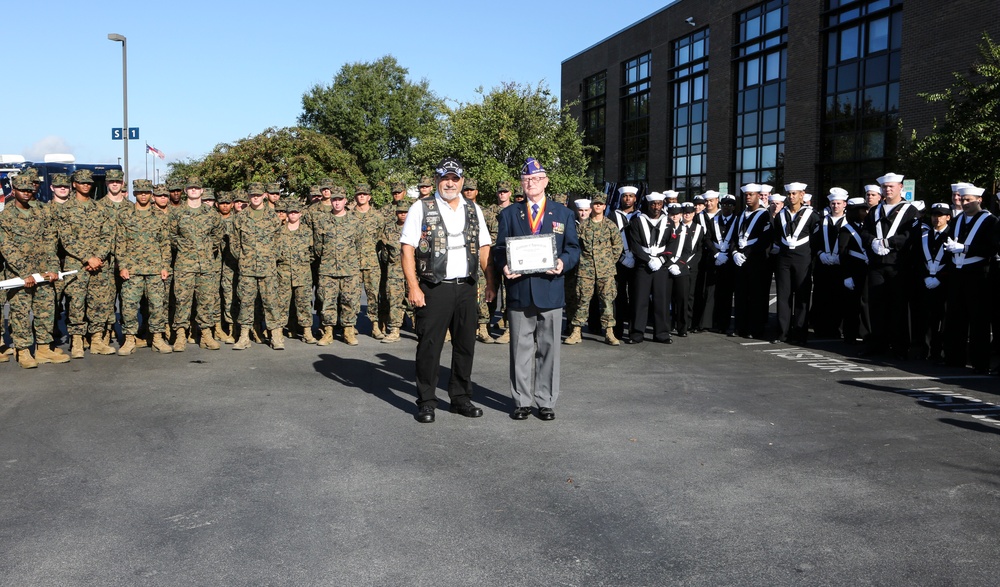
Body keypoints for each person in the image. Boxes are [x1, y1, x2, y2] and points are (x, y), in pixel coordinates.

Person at [401, 157, 494, 423]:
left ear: (462, 181)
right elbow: (407, 247)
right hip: (434, 287)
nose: (449, 183)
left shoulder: (474, 209)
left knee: (465, 345)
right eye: (444, 178)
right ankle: (427, 401)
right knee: (429, 346)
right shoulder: (421, 207)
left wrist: (490, 282)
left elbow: (485, 247)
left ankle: (460, 398)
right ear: (437, 180)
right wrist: (414, 287)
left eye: (454, 179)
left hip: (466, 287)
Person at [494, 158, 578, 421]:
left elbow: (573, 249)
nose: (531, 183)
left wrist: (563, 262)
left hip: (550, 290)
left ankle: (545, 400)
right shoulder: (509, 214)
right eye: (526, 179)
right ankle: (521, 400)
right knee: (520, 350)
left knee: (549, 349)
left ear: (546, 181)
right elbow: (498, 249)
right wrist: (504, 265)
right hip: (519, 290)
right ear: (522, 183)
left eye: (536, 178)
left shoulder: (563, 213)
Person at [0, 174, 70, 368]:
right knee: (21, 313)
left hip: (43, 272)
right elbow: (6, 248)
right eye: (22, 190)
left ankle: (43, 348)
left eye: (29, 190)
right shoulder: (5, 216)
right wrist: (24, 274)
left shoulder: (42, 212)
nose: (26, 193)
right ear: (14, 191)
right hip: (19, 275)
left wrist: (53, 268)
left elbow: (50, 242)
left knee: (45, 310)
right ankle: (22, 351)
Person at [860, 172, 919, 358]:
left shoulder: (911, 210)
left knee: (898, 307)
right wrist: (873, 242)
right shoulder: (876, 210)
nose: (888, 189)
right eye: (885, 187)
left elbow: (911, 235)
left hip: (898, 265)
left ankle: (900, 347)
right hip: (877, 264)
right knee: (876, 306)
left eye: (891, 186)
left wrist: (890, 243)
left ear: (901, 187)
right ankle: (878, 345)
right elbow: (864, 232)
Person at [943, 185, 998, 372]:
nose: (964, 203)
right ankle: (954, 358)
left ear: (979, 200)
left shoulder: (990, 221)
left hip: (978, 274)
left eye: (968, 200)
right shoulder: (958, 219)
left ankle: (979, 363)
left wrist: (966, 248)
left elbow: (991, 249)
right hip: (957, 273)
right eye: (962, 199)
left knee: (978, 320)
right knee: (955, 318)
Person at [115, 179, 173, 355]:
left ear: (151, 195)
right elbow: (120, 243)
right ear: (134, 194)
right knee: (129, 306)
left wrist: (165, 266)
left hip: (155, 269)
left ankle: (157, 338)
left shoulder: (160, 217)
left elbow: (165, 244)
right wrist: (122, 266)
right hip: (132, 270)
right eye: (140, 192)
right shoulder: (125, 215)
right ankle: (130, 339)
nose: (143, 195)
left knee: (157, 305)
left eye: (146, 192)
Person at [169, 176, 224, 351]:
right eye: (190, 188)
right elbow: (171, 235)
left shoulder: (210, 214)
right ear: (186, 191)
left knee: (206, 300)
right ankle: (180, 335)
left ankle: (206, 334)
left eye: (196, 188)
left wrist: (208, 248)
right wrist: (183, 247)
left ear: (201, 191)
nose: (193, 190)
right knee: (182, 300)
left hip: (206, 265)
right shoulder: (177, 213)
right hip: (184, 264)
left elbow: (218, 234)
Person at [565, 191, 623, 346]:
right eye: (595, 204)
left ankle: (609, 332)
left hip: (606, 271)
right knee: (582, 300)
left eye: (600, 204)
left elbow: (617, 247)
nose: (598, 206)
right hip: (585, 271)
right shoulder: (583, 226)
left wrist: (608, 262)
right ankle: (576, 331)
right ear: (591, 206)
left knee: (607, 301)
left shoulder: (610, 226)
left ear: (604, 206)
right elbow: (575, 246)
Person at [232, 182, 283, 350]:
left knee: (271, 302)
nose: (255, 197)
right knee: (245, 302)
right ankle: (244, 337)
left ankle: (276, 336)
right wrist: (244, 258)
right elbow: (234, 243)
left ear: (264, 196)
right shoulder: (240, 217)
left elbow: (278, 242)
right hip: (247, 269)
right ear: (248, 196)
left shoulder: (272, 216)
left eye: (258, 194)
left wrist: (270, 258)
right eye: (252, 194)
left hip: (268, 268)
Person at [314, 185, 365, 346]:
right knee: (327, 301)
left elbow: (359, 245)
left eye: (339, 200)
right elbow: (317, 247)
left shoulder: (354, 221)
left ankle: (348, 331)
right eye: (334, 200)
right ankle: (328, 332)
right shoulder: (323, 221)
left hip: (349, 269)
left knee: (349, 301)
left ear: (345, 201)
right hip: (328, 269)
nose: (336, 203)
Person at [771, 182, 820, 344]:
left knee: (802, 297)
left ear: (802, 195)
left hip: (803, 259)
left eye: (794, 194)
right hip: (784, 259)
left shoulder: (812, 215)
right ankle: (782, 333)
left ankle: (800, 334)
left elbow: (816, 238)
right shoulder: (781, 215)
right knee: (783, 297)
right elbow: (777, 235)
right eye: (789, 194)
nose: (791, 197)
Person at [627, 192, 672, 344]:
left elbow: (672, 245)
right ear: (648, 205)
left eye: (659, 204)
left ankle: (662, 334)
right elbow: (634, 245)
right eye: (653, 204)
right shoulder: (637, 221)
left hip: (661, 264)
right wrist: (647, 260)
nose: (656, 207)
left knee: (662, 300)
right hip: (643, 265)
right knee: (640, 300)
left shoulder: (669, 222)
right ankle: (636, 334)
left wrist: (662, 259)